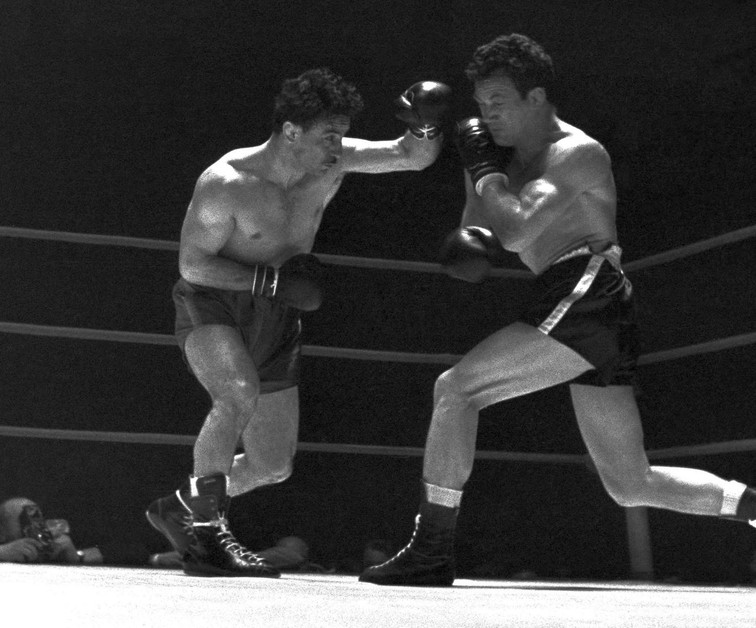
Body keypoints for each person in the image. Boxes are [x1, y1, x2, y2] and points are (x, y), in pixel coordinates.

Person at [359, 33, 756, 586]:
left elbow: (519, 223)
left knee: (457, 388)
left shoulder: (577, 153)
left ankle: (431, 549)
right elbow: (480, 234)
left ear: (536, 97)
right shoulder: (505, 159)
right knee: (629, 482)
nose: (488, 113)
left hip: (586, 285)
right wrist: (473, 166)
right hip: (582, 298)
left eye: (499, 101)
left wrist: (487, 172)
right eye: (480, 104)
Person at [145, 67, 452, 578]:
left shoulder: (331, 164)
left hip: (277, 313)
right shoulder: (227, 183)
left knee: (271, 464)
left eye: (341, 132)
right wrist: (271, 282)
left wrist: (425, 125)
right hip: (213, 303)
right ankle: (206, 540)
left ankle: (179, 505)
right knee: (236, 394)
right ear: (291, 132)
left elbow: (410, 157)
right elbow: (193, 264)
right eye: (328, 134)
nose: (339, 144)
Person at [0, 496, 175, 566]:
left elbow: (128, 547)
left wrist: (77, 556)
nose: (35, 528)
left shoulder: (51, 543)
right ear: (0, 531)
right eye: (24, 521)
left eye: (38, 519)